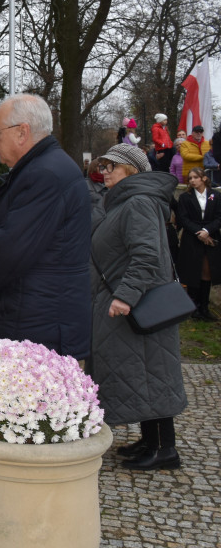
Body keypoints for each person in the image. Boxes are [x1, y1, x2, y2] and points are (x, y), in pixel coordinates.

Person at [0, 93, 92, 360]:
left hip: (34, 323)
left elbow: (9, 249)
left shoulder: (44, 174)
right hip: (34, 314)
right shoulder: (43, 168)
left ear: (22, 132)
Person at [88, 144, 185, 470]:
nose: (104, 171)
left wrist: (125, 296)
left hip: (139, 306)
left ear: (131, 169)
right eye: (103, 166)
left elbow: (146, 256)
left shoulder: (138, 202)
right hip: (132, 305)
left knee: (152, 374)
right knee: (143, 374)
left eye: (112, 166)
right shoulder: (127, 201)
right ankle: (150, 441)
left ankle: (164, 449)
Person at [176, 167, 221, 321]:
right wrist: (199, 232)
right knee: (193, 271)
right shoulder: (185, 197)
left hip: (210, 236)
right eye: (190, 178)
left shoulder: (216, 195)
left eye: (195, 177)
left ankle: (204, 307)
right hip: (192, 238)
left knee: (207, 270)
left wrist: (207, 230)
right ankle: (193, 307)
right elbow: (183, 218)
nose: (192, 180)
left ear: (204, 178)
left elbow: (219, 217)